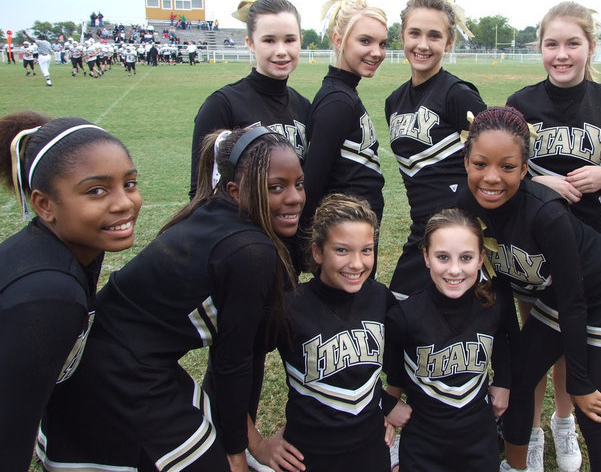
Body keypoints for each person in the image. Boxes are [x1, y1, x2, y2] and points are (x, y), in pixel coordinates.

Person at [37, 128, 302, 472]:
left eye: (299, 183)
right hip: (118, 374)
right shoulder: (250, 250)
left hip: (120, 357)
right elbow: (232, 359)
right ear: (236, 191)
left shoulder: (214, 211)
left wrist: (246, 439)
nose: (295, 197)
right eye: (275, 187)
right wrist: (237, 452)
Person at [459, 107, 601, 472]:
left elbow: (574, 302)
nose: (492, 178)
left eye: (508, 167)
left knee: (592, 404)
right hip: (564, 294)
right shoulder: (466, 207)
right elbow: (496, 292)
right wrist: (507, 361)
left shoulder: (546, 213)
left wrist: (579, 381)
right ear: (466, 161)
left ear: (526, 169)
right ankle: (514, 467)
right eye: (480, 164)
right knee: (517, 378)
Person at [505, 1, 601, 472]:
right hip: (529, 236)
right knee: (534, 333)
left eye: (572, 43)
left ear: (590, 47)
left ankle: (563, 421)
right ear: (540, 48)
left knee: (571, 338)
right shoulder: (521, 101)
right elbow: (504, 172)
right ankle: (532, 432)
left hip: (585, 235)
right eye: (551, 44)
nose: (562, 54)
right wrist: (537, 183)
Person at [0, 111, 142, 472]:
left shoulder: (68, 251)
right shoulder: (50, 296)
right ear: (44, 204)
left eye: (129, 183)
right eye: (96, 190)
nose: (124, 202)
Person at [258, 193, 411, 472]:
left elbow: (398, 353)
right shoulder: (291, 307)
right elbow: (236, 366)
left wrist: (387, 401)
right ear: (318, 252)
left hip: (371, 448)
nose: (356, 264)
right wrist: (256, 444)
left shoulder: (378, 297)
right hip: (308, 455)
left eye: (366, 250)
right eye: (342, 250)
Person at [384, 208, 516, 471]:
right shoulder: (405, 315)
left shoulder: (490, 305)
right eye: (443, 257)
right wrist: (389, 404)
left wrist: (503, 381)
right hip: (424, 442)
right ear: (426, 257)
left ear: (481, 259)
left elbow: (502, 339)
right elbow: (393, 371)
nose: (454, 270)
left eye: (466, 258)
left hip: (480, 439)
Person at [384, 0, 486, 300]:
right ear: (402, 36)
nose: (423, 44)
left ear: (449, 42)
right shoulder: (394, 102)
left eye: (434, 36)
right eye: (414, 33)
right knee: (400, 314)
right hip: (421, 233)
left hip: (458, 236)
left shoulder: (459, 95)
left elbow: (498, 154)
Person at [190, 0, 310, 198]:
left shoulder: (304, 106)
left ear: (300, 41)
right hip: (242, 228)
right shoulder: (222, 105)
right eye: (269, 40)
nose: (281, 50)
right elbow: (200, 192)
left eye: (289, 40)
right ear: (250, 43)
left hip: (294, 229)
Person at [301, 0, 387, 274]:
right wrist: (305, 244)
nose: (377, 52)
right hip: (344, 239)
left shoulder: (344, 94)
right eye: (365, 41)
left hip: (355, 235)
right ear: (338, 40)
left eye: (382, 43)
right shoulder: (338, 100)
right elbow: (312, 182)